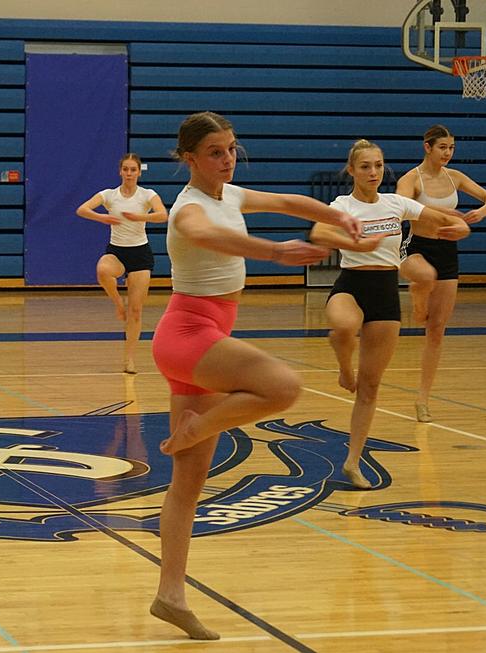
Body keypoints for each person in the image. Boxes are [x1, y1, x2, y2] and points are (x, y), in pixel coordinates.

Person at [148, 112, 362, 641]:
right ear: (189, 159)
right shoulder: (188, 209)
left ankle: (169, 595)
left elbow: (290, 203)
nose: (227, 159)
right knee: (284, 386)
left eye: (231, 149)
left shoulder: (232, 195)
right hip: (189, 335)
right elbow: (207, 236)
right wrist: (275, 252)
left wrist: (340, 219)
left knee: (188, 482)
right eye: (215, 152)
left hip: (201, 339)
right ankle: (198, 429)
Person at [310, 139, 469, 491]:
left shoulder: (396, 203)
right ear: (351, 170)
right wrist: (354, 243)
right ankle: (343, 368)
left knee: (370, 387)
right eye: (365, 166)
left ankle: (353, 461)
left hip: (385, 294)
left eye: (378, 165)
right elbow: (320, 231)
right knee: (343, 325)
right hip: (352, 284)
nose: (373, 172)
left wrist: (460, 226)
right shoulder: (342, 204)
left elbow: (442, 218)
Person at [396, 125, 486, 422]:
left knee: (437, 331)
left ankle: (423, 400)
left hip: (447, 253)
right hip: (416, 247)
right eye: (443, 147)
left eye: (452, 148)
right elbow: (402, 209)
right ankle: (417, 300)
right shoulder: (411, 180)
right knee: (425, 276)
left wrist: (480, 214)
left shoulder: (455, 177)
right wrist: (446, 217)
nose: (448, 153)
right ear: (427, 147)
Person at [76, 153, 167, 374]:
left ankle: (129, 359)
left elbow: (163, 215)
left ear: (138, 172)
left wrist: (141, 218)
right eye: (125, 169)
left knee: (136, 311)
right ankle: (118, 303)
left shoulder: (147, 195)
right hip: (117, 251)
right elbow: (82, 209)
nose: (128, 173)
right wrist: (103, 218)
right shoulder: (109, 195)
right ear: (120, 171)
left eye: (132, 170)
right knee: (103, 270)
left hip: (140, 254)